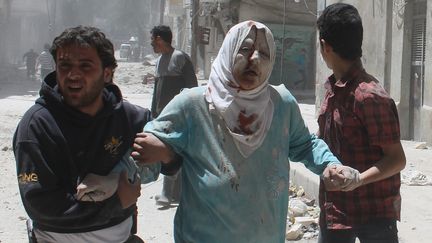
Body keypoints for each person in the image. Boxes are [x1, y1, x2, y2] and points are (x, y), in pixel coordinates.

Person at [127, 20, 358, 243]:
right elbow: (142, 165)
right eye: (245, 49)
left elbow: (305, 145)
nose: (255, 59)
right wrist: (157, 154)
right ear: (228, 51)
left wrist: (329, 165)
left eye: (264, 54)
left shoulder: (281, 104)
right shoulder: (192, 104)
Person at [13, 26, 150, 243]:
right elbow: (40, 206)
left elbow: (173, 160)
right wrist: (115, 204)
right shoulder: (37, 126)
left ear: (107, 73)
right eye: (64, 66)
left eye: (85, 66)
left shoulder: (130, 118)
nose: (73, 74)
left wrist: (166, 154)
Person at [316, 3, 406, 243]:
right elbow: (324, 140)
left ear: (325, 47)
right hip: (336, 213)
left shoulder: (369, 96)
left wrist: (358, 180)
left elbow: (397, 159)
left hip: (374, 216)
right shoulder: (333, 90)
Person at [150, 25, 198, 206]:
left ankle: (167, 193)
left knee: (172, 151)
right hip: (162, 116)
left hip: (179, 115)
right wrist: (154, 112)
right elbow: (157, 90)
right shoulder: (159, 61)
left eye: (152, 39)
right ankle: (175, 194)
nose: (151, 44)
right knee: (171, 152)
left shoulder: (180, 58)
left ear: (160, 39)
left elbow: (192, 88)